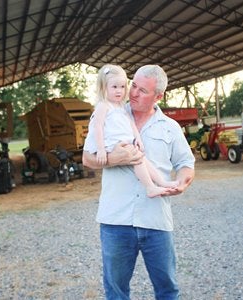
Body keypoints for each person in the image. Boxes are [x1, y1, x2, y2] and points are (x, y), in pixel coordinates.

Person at [83, 65, 195, 299]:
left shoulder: (170, 127)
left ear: (159, 96)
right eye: (133, 85)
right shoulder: (110, 112)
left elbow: (186, 163)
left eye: (142, 90)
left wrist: (182, 182)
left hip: (156, 219)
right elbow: (88, 158)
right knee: (116, 290)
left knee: (167, 288)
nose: (132, 93)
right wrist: (114, 159)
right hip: (116, 220)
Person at [84, 64, 178, 198]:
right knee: (137, 159)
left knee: (142, 158)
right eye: (114, 87)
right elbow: (97, 127)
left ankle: (162, 181)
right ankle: (150, 187)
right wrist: (100, 149)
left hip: (127, 141)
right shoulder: (103, 106)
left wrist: (138, 138)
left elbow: (130, 123)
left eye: (122, 87)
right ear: (104, 87)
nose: (119, 91)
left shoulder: (120, 107)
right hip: (113, 143)